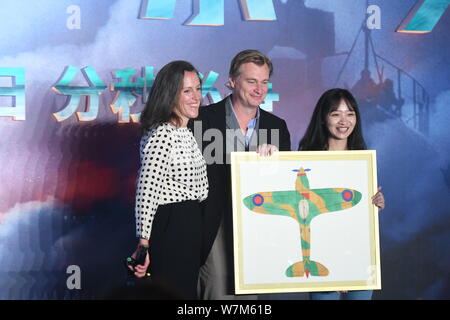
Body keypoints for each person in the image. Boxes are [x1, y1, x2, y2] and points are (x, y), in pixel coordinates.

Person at [193, 49, 291, 299]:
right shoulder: (201, 120)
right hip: (213, 225)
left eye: (264, 82)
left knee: (248, 297)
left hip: (257, 227)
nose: (259, 89)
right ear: (232, 81)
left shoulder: (276, 127)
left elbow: (285, 184)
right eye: (251, 81)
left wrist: (274, 165)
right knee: (217, 290)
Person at [128, 60, 209, 299]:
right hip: (172, 225)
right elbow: (146, 189)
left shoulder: (184, 131)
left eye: (198, 89)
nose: (196, 97)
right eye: (187, 91)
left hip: (190, 224)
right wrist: (143, 243)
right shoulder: (162, 133)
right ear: (170, 95)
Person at [298, 88, 385, 300]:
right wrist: (336, 269)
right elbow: (306, 217)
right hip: (322, 262)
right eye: (335, 114)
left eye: (350, 113)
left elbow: (358, 219)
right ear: (323, 118)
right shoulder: (306, 162)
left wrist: (376, 204)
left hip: (359, 260)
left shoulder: (362, 160)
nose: (344, 120)